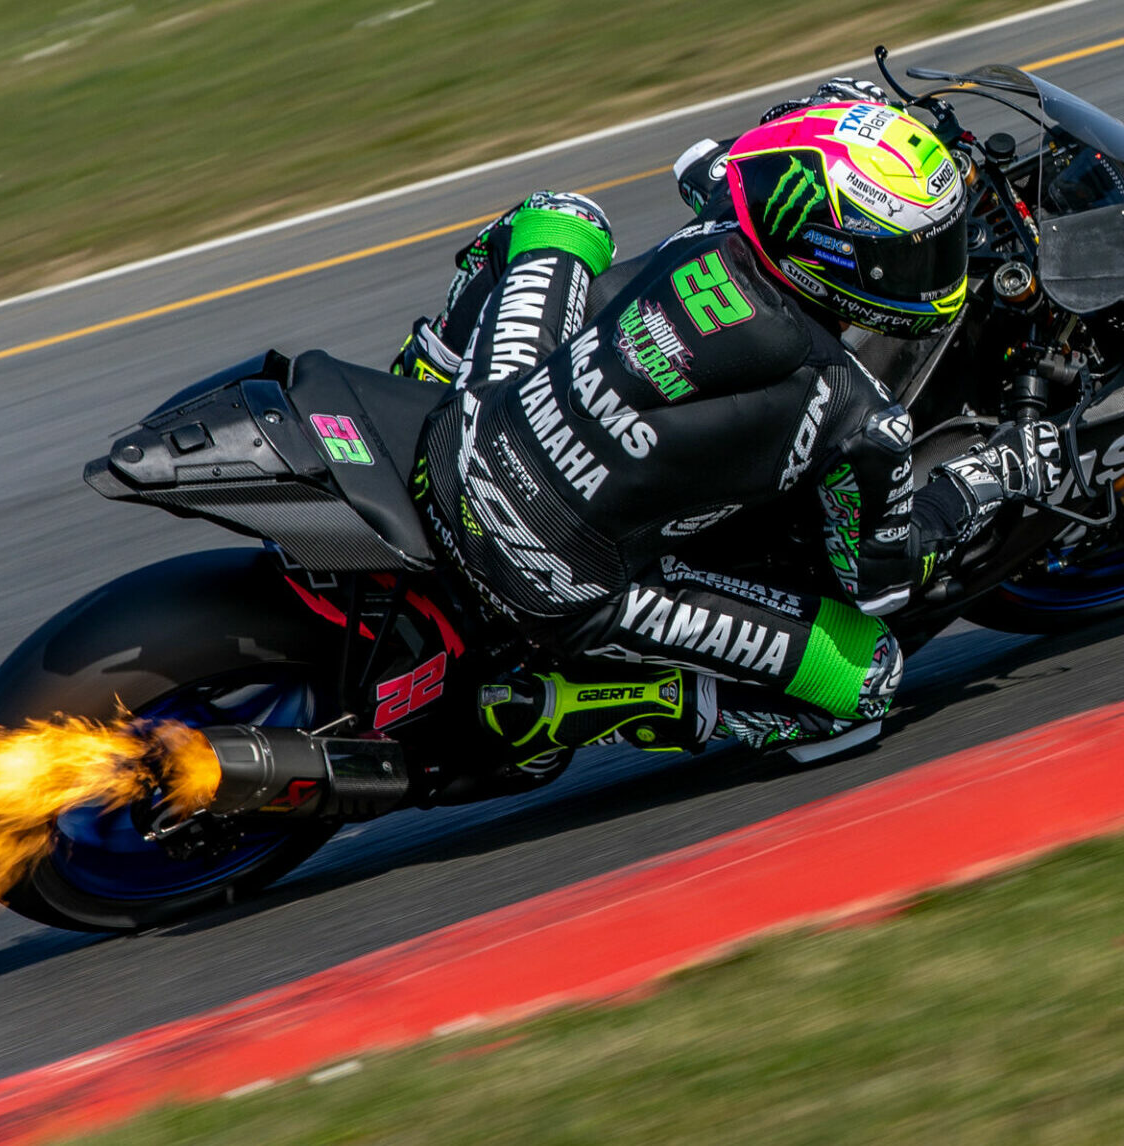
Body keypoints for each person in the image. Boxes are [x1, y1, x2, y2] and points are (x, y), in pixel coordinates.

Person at [402, 86, 1061, 767]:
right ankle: (575, 703)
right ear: (837, 257)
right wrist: (991, 478)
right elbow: (882, 583)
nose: (930, 272)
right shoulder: (858, 414)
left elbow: (717, 158)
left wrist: (836, 111)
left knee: (560, 216)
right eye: (912, 256)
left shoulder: (728, 203)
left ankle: (420, 373)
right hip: (559, 577)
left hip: (463, 439)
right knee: (869, 679)